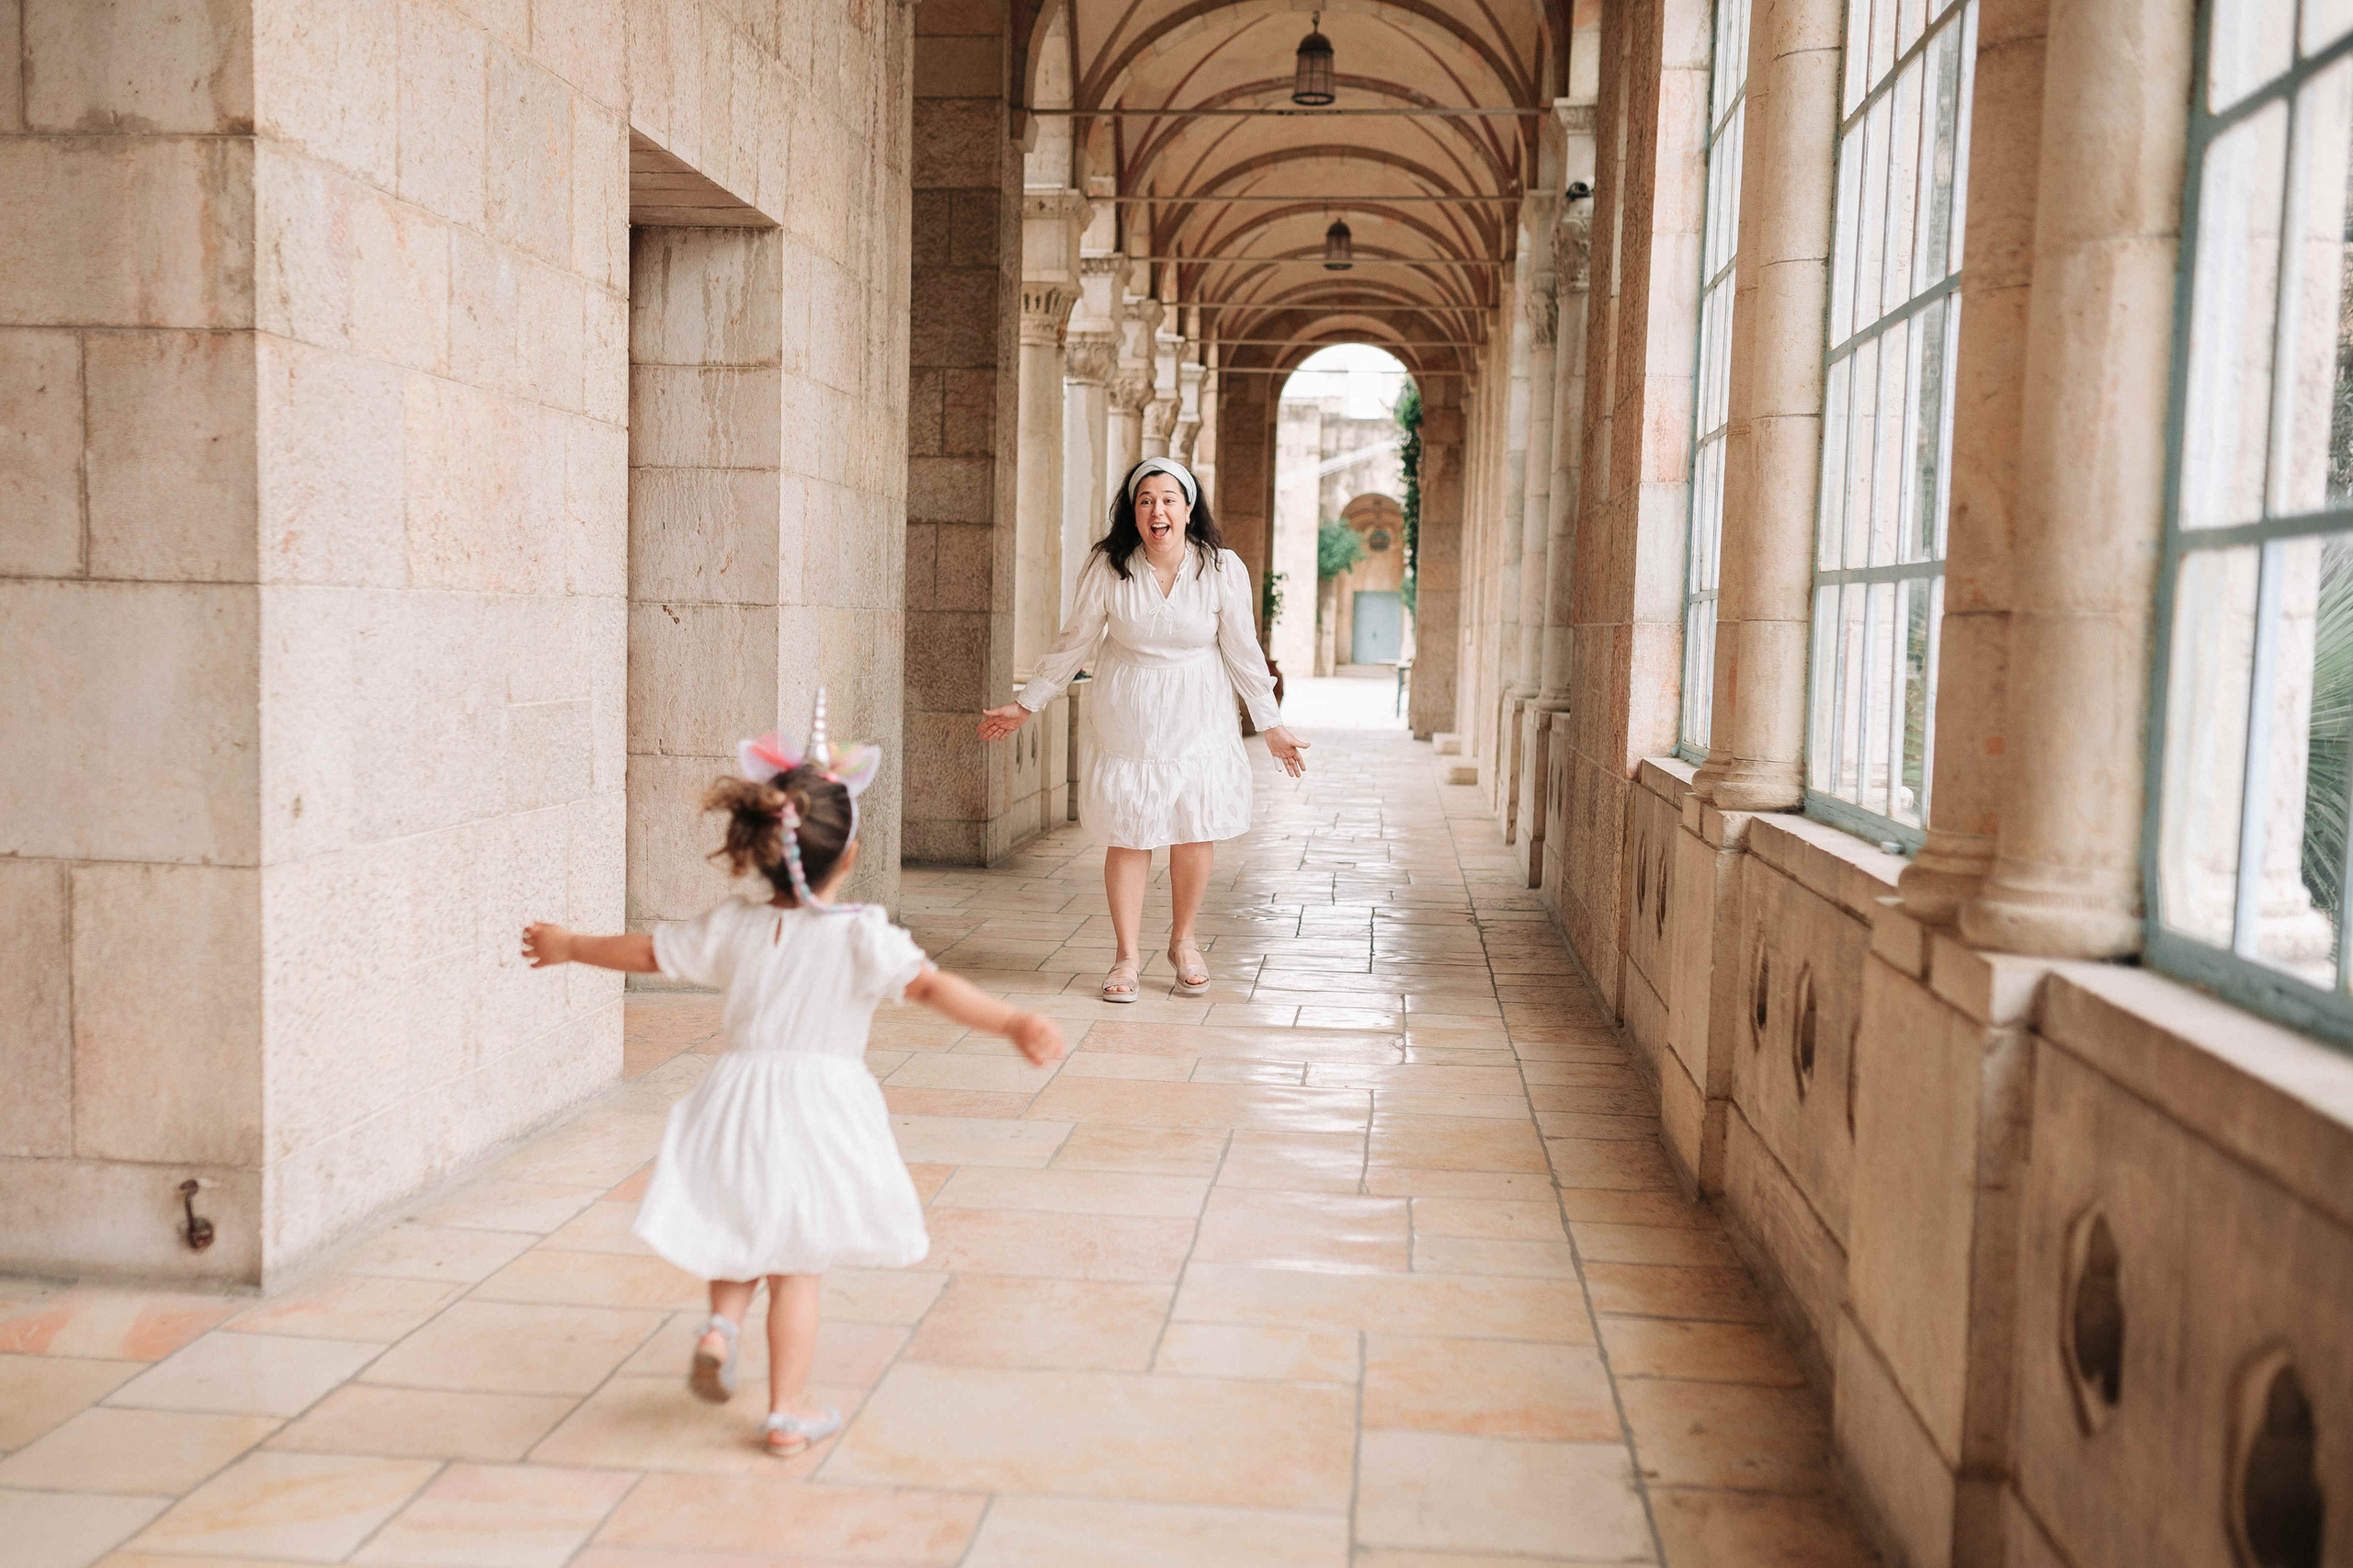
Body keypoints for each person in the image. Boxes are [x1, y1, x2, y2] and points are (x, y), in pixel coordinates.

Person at [520, 703, 1063, 1457]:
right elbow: (935, 989)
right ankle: (786, 1411)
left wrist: (571, 944)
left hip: (737, 1099)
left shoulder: (733, 927)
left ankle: (721, 1327)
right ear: (852, 853)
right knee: (796, 1264)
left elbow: (648, 953)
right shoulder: (861, 937)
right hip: (818, 1106)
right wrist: (1010, 1023)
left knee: (740, 1228)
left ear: (764, 850)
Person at [979, 457, 1309, 1003]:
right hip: (1128, 709)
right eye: (1145, 500)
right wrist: (1028, 703)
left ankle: (1184, 942)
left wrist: (1270, 723)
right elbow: (1075, 640)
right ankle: (1126, 957)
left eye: (1169, 500)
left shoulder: (1222, 568)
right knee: (1131, 829)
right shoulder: (1110, 566)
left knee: (1193, 823)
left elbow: (1243, 650)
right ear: (1133, 513)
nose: (1158, 510)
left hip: (1198, 706)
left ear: (1188, 508)